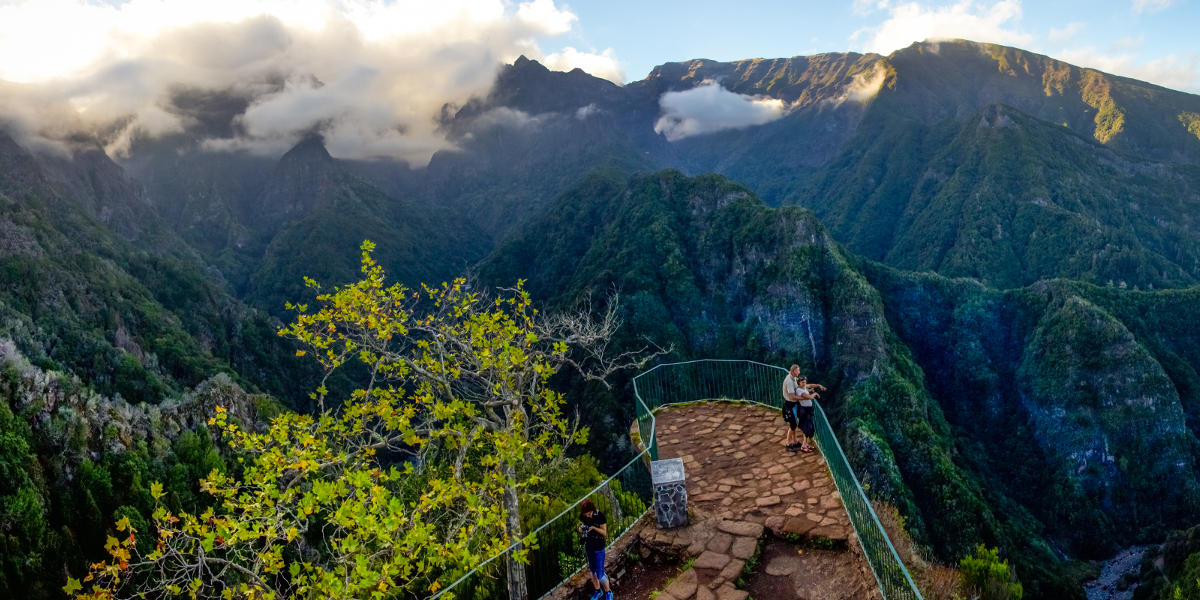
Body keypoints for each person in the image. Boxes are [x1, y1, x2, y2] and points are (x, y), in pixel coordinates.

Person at [579, 499, 612, 600]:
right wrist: (581, 529)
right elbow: (580, 526)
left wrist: (593, 528)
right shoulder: (583, 516)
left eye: (589, 513)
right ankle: (598, 591)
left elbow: (604, 532)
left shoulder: (599, 516)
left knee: (600, 574)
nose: (588, 516)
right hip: (589, 546)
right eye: (586, 514)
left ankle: (608, 592)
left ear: (592, 510)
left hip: (598, 546)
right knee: (593, 572)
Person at [795, 375, 827, 453]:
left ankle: (806, 444)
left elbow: (811, 385)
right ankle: (803, 446)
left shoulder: (804, 387)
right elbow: (808, 397)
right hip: (804, 410)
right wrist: (815, 394)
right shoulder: (799, 390)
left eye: (805, 382)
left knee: (809, 427)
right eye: (802, 382)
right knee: (806, 427)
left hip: (808, 410)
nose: (804, 384)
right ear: (799, 382)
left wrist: (819, 386)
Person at [781, 365, 805, 452]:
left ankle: (794, 441)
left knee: (794, 424)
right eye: (798, 371)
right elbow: (792, 396)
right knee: (793, 425)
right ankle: (787, 443)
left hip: (793, 405)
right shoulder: (789, 381)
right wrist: (805, 398)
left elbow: (798, 387)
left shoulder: (793, 378)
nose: (799, 372)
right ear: (794, 371)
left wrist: (806, 390)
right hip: (790, 405)